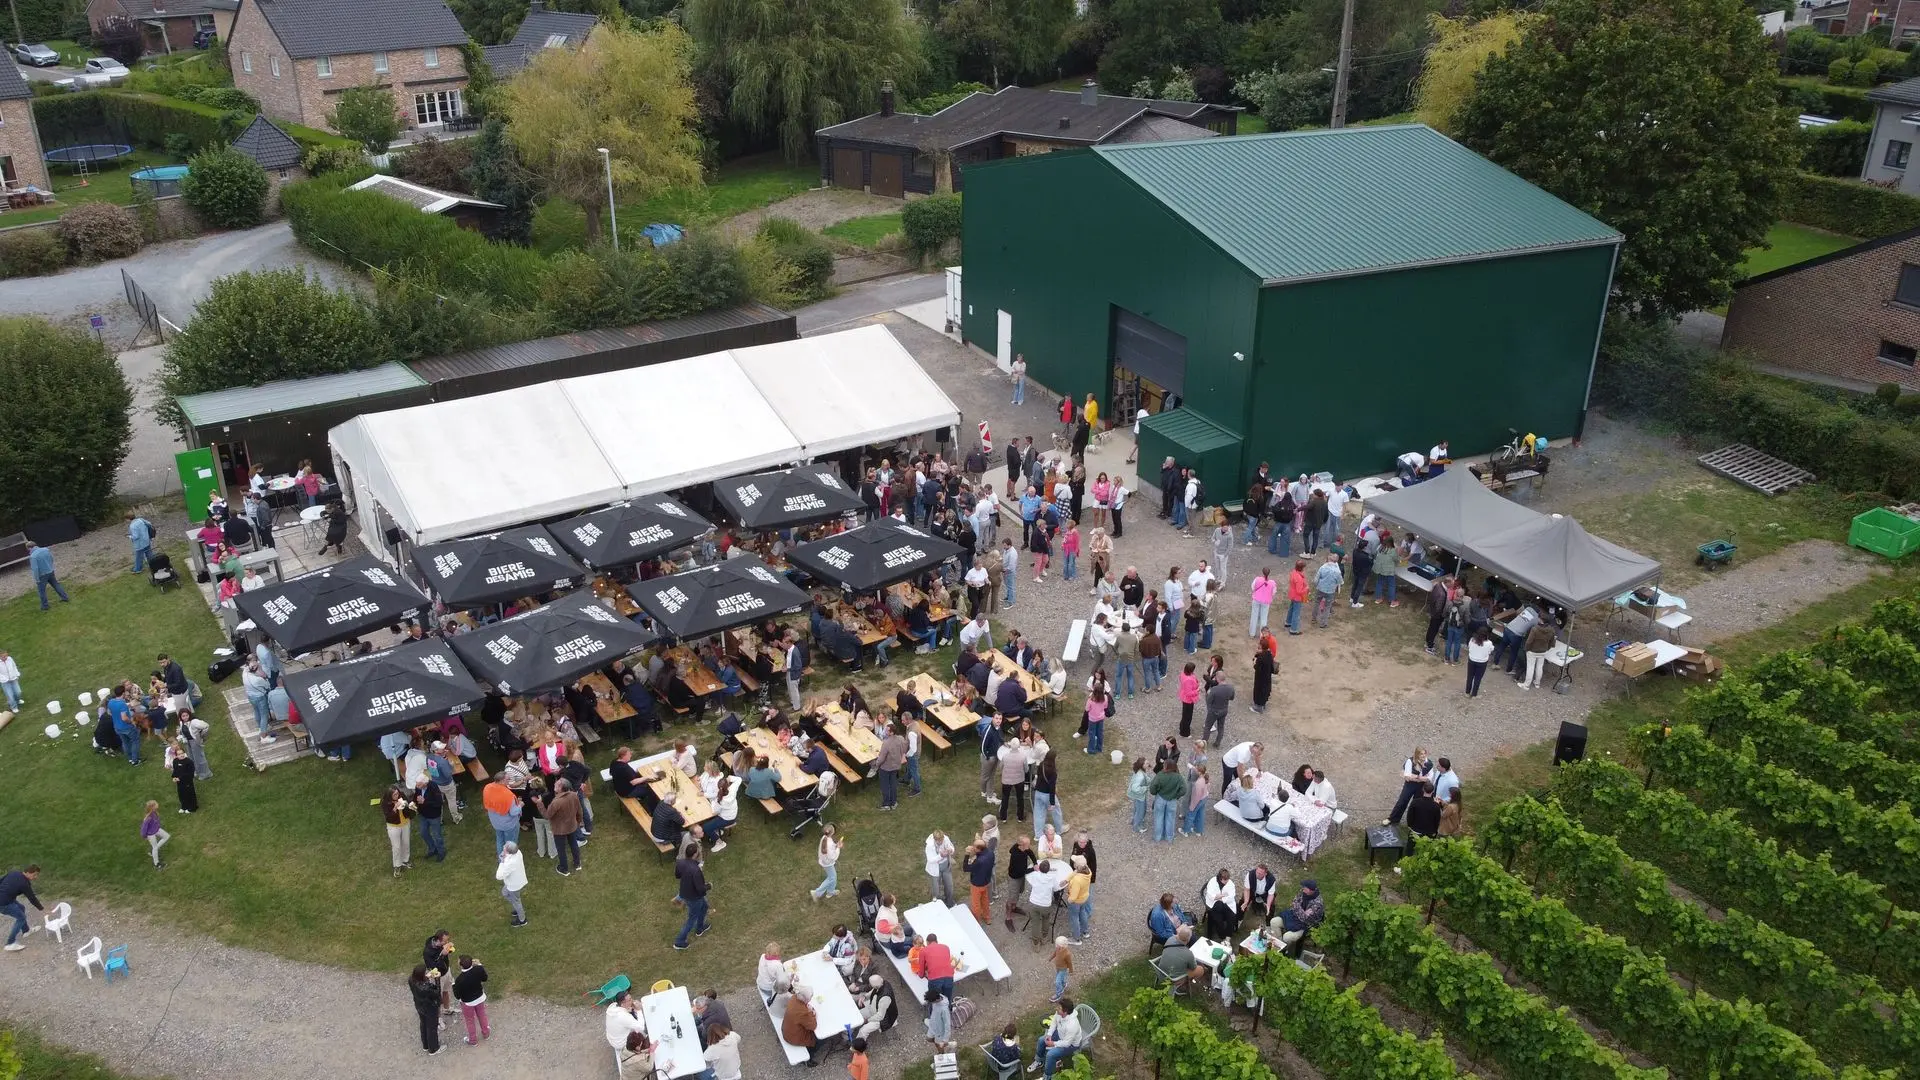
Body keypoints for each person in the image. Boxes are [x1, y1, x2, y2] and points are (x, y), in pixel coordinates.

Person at [1029, 997, 1082, 1078]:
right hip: (1061, 1034)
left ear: (1065, 1012)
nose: (1057, 1009)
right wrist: (1049, 1034)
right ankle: (1039, 1061)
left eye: (1059, 1008)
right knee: (1041, 1040)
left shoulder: (1072, 1025)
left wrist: (1053, 1043)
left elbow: (1067, 1043)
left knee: (1050, 1055)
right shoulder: (1059, 1013)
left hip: (1071, 1044)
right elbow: (1054, 1021)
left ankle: (1047, 1076)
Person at [673, 842, 711, 950]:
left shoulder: (680, 863)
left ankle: (700, 928)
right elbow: (700, 888)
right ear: (695, 854)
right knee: (691, 919)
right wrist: (709, 886)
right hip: (694, 897)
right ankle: (679, 941)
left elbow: (677, 875)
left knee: (704, 907)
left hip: (685, 892)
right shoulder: (695, 870)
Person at [1386, 748, 1434, 826]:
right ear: (1417, 754)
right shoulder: (1410, 761)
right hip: (1410, 785)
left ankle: (1414, 821)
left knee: (1417, 803)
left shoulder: (1429, 763)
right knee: (1402, 801)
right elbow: (1407, 777)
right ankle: (1393, 819)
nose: (1423, 755)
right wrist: (1420, 778)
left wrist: (1416, 777)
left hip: (1421, 786)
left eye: (1424, 753)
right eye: (1421, 754)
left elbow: (1429, 778)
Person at [547, 778, 583, 876]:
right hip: (572, 826)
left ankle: (564, 869)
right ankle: (577, 864)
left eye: (557, 784)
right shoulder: (573, 795)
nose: (554, 784)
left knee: (561, 849)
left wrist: (539, 804)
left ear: (561, 787)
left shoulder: (556, 802)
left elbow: (548, 815)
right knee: (573, 844)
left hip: (559, 830)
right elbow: (579, 811)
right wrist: (578, 822)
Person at [452, 954, 490, 1045]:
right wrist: (479, 964)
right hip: (479, 998)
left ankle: (473, 1040)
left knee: (470, 1021)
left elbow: (457, 996)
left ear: (461, 965)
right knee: (482, 1015)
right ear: (472, 963)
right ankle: (486, 1033)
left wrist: (453, 985)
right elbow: (485, 978)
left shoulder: (459, 980)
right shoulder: (478, 969)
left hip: (468, 1003)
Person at [604, 991, 651, 1062]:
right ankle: (642, 1051)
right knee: (640, 1033)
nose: (632, 1001)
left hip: (612, 1038)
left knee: (634, 1022)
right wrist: (639, 1010)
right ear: (623, 1003)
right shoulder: (623, 1016)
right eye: (629, 1000)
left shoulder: (613, 1007)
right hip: (620, 1043)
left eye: (631, 998)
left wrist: (630, 1011)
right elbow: (641, 1027)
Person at [409, 965, 445, 1055]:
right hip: (430, 1008)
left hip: (419, 1006)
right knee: (432, 1027)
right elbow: (437, 993)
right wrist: (437, 980)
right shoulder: (426, 988)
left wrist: (427, 978)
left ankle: (425, 1045)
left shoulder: (411, 980)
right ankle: (433, 1048)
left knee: (423, 1024)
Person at [1150, 759, 1186, 843]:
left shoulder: (1160, 775)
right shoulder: (1178, 777)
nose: (1163, 766)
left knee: (1158, 818)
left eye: (1164, 765)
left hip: (1160, 799)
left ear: (1167, 766)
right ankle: (1169, 838)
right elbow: (1184, 790)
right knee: (1170, 819)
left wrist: (1156, 793)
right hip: (1172, 801)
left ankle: (1157, 837)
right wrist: (1176, 796)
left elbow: (1152, 788)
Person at [26, 541, 69, 610]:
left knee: (41, 591)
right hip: (50, 571)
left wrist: (37, 579)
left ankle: (45, 606)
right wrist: (50, 567)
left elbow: (35, 569)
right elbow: (51, 559)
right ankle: (65, 597)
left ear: (29, 548)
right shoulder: (46, 550)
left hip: (42, 575)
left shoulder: (33, 556)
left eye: (28, 549)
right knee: (56, 585)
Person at [381, 785, 413, 876]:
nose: (397, 795)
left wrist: (407, 805)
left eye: (397, 793)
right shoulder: (385, 803)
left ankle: (405, 860)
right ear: (389, 795)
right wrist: (395, 808)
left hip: (405, 823)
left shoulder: (401, 795)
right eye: (394, 794)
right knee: (396, 847)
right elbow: (388, 816)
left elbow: (410, 805)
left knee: (406, 843)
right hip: (393, 826)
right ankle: (397, 865)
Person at [494, 841, 528, 927]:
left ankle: (522, 920)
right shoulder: (518, 852)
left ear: (508, 851)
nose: (503, 846)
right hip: (515, 881)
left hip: (514, 885)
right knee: (505, 893)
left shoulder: (510, 863)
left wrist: (502, 862)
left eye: (505, 847)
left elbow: (499, 876)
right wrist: (505, 856)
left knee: (516, 901)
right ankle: (518, 909)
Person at [1520, 617, 1557, 690]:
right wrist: (1547, 648)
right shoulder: (1552, 630)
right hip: (1543, 651)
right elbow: (1552, 643)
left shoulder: (1535, 629)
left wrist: (1526, 649)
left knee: (1530, 667)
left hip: (1532, 651)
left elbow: (1529, 641)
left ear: (1541, 620)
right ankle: (1537, 683)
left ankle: (1526, 685)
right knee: (1539, 667)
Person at [811, 823, 843, 901]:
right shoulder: (828, 842)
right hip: (828, 863)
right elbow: (833, 857)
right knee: (832, 878)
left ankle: (830, 892)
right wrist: (838, 848)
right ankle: (816, 892)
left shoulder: (824, 838)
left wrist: (836, 845)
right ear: (832, 832)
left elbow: (830, 849)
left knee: (832, 877)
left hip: (824, 861)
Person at [1064, 855, 1092, 942]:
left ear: (1076, 866)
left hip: (1076, 902)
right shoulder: (1087, 871)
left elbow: (1073, 897)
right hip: (1084, 898)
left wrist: (1069, 900)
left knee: (1074, 918)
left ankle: (1076, 939)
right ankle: (1085, 932)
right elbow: (1076, 872)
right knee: (1082, 913)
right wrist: (1066, 880)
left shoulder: (1077, 880)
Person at [1203, 672, 1234, 748]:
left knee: (1207, 727)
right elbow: (1232, 698)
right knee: (1221, 727)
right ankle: (1217, 743)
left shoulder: (1214, 689)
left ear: (1217, 678)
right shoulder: (1231, 688)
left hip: (1213, 711)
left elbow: (1209, 701)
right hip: (1224, 710)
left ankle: (1204, 742)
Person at [926, 829, 957, 905]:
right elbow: (930, 860)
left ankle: (950, 903)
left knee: (949, 886)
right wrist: (941, 856)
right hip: (935, 869)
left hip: (946, 866)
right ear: (935, 839)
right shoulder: (929, 846)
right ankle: (937, 905)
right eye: (939, 841)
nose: (942, 842)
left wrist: (951, 850)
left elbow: (951, 847)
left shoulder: (945, 838)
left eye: (942, 840)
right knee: (936, 889)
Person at [1312, 554, 1343, 629]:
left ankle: (1314, 618)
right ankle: (1323, 623)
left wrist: (1316, 585)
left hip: (1320, 588)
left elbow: (1316, 580)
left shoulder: (1323, 567)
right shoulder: (1337, 571)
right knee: (1327, 606)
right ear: (1335, 561)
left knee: (1317, 602)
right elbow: (1340, 582)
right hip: (1330, 591)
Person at [168, 739, 198, 813]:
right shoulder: (175, 761)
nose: (181, 755)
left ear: (184, 753)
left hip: (187, 782)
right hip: (179, 782)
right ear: (176, 755)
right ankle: (184, 806)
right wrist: (174, 777)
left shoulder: (189, 762)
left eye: (182, 753)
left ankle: (192, 807)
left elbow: (190, 773)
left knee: (189, 794)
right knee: (181, 794)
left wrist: (180, 778)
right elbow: (175, 771)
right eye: (179, 754)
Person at [1465, 627, 1494, 696]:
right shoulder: (1489, 643)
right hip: (1482, 663)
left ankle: (1467, 693)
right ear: (1486, 634)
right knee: (1478, 679)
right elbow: (1490, 650)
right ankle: (1474, 694)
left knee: (1470, 677)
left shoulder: (1472, 640)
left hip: (1472, 660)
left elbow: (1469, 647)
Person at [923, 987, 953, 1055]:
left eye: (931, 1002)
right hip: (933, 1025)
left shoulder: (944, 1009)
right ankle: (943, 1044)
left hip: (940, 1030)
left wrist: (945, 1039)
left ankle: (941, 1053)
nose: (931, 1003)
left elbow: (947, 1024)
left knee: (939, 1045)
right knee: (928, 1039)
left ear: (936, 1000)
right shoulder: (937, 997)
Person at [141, 800, 169, 869]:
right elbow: (143, 829)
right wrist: (144, 836)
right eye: (156, 804)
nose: (157, 804)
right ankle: (157, 864)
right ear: (152, 807)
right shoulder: (148, 818)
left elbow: (156, 821)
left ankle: (152, 851)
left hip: (156, 830)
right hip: (150, 834)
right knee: (155, 847)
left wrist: (158, 826)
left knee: (166, 836)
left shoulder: (154, 813)